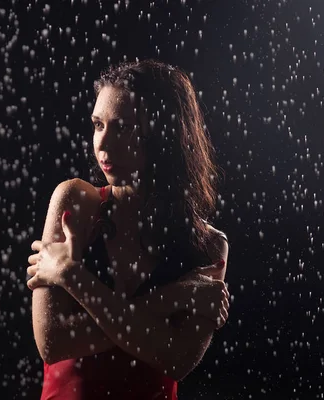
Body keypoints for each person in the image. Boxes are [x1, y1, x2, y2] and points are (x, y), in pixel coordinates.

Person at [26, 59, 231, 399]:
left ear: (165, 135)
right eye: (97, 125)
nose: (103, 145)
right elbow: (53, 342)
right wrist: (170, 298)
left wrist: (70, 275)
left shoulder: (207, 246)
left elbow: (175, 360)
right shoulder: (74, 203)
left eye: (122, 128)